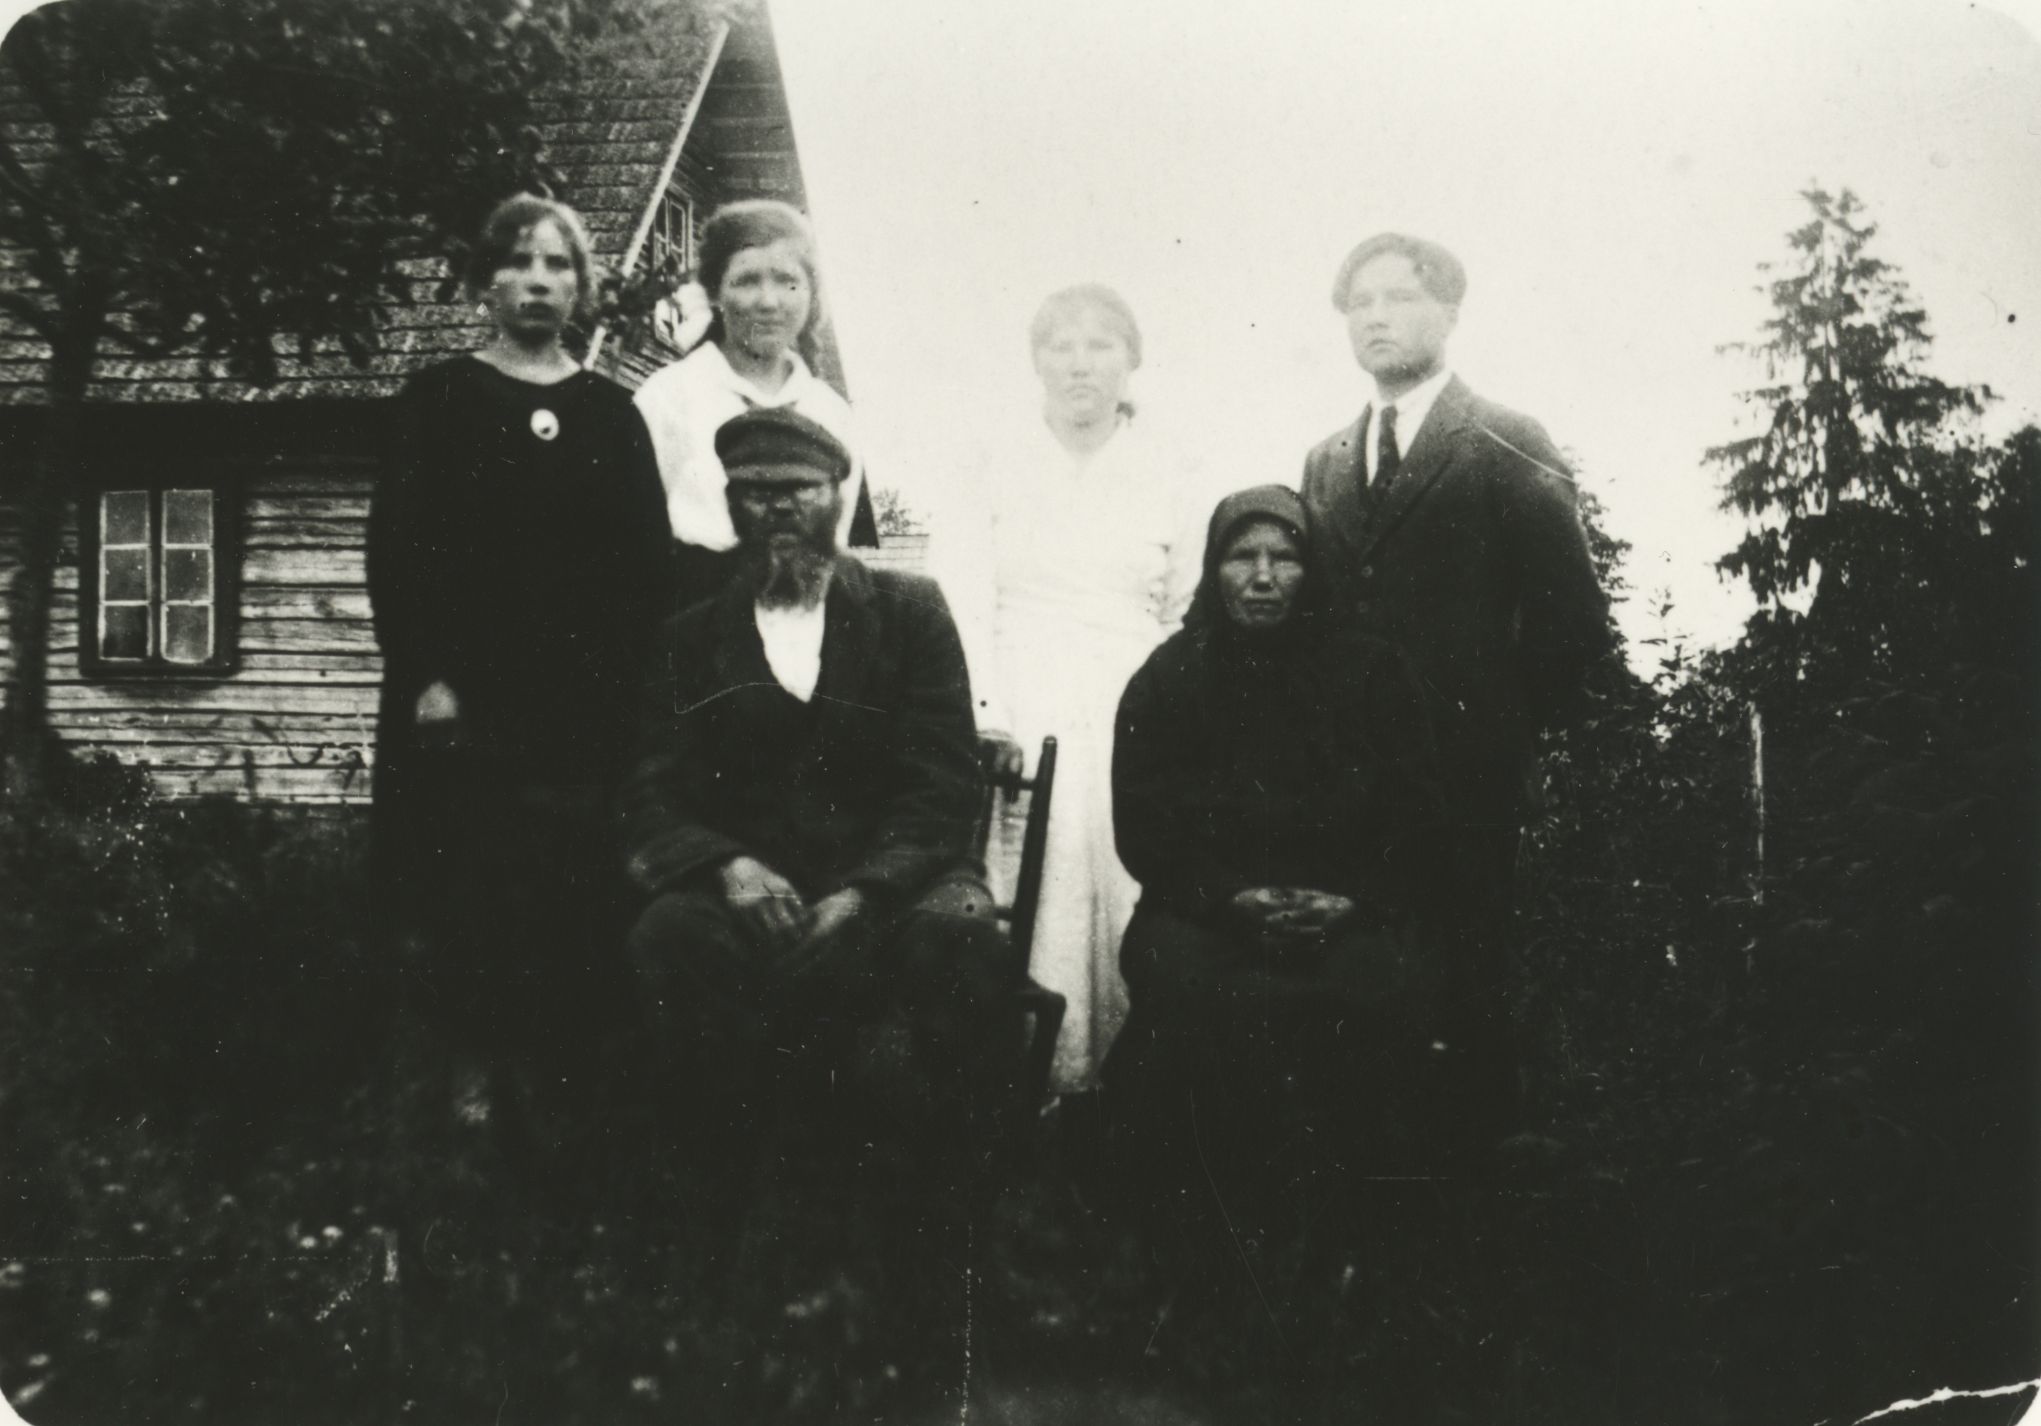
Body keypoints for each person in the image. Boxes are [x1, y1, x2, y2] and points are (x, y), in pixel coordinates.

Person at [620, 406, 1019, 1184]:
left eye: (798, 489)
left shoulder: (910, 611)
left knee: (965, 932)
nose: (778, 509)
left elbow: (942, 778)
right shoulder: (691, 636)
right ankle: (722, 1189)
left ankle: (960, 1205)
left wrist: (868, 890)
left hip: (897, 879)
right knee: (666, 935)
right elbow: (651, 787)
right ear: (731, 505)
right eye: (755, 492)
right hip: (753, 884)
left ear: (838, 493)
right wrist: (726, 865)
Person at [368, 194, 673, 1163]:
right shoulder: (441, 401)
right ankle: (466, 1071)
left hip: (577, 707)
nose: (541, 281)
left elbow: (642, 574)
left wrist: (628, 700)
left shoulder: (610, 414)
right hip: (463, 703)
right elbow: (399, 553)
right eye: (522, 263)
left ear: (583, 288)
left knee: (563, 886)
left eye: (560, 266)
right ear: (486, 282)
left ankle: (554, 1084)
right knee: (466, 885)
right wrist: (428, 675)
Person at [1300, 231, 1612, 1160]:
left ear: (1448, 313)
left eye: (1398, 298)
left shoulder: (1502, 440)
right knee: (1354, 975)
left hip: (1464, 780)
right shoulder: (1324, 459)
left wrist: (1501, 738)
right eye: (1359, 305)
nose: (1377, 318)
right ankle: (1368, 1186)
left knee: (1464, 979)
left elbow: (1570, 625)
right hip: (1346, 780)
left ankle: (1471, 1208)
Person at [1103, 485, 1447, 1242]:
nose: (1261, 576)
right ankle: (1182, 1238)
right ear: (1213, 569)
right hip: (1202, 914)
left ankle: (1351, 1246)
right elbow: (1144, 830)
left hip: (1342, 914)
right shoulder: (1169, 677)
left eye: (1283, 558)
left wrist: (1352, 901)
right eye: (1240, 557)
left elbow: (1415, 820)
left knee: (1375, 995)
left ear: (1312, 570)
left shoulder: (1371, 673)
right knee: (1190, 994)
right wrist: (1229, 898)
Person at [932, 284, 1207, 1094]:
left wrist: (1162, 712)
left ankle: (1128, 1094)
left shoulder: (1175, 463)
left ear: (1132, 361)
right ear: (1035, 361)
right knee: (1031, 882)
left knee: (1130, 881)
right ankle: (1029, 1084)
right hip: (1021, 693)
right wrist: (986, 709)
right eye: (1060, 346)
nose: (1080, 364)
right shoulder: (990, 456)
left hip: (1131, 700)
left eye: (1100, 345)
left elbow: (1188, 606)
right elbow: (961, 595)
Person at [631, 199, 870, 610]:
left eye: (786, 281)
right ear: (716, 294)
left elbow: (834, 549)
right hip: (691, 634)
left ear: (812, 294)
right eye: (746, 281)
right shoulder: (666, 399)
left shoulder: (832, 414)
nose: (768, 301)